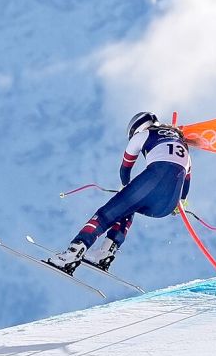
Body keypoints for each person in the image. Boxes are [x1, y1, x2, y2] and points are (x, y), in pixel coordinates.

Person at [47, 111, 191, 274]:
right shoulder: (182, 144)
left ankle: (72, 255)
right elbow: (186, 182)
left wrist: (126, 187)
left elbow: (125, 168)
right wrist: (180, 204)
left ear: (138, 127)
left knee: (105, 215)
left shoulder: (144, 135)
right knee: (128, 207)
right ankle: (106, 253)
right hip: (167, 205)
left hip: (152, 180)